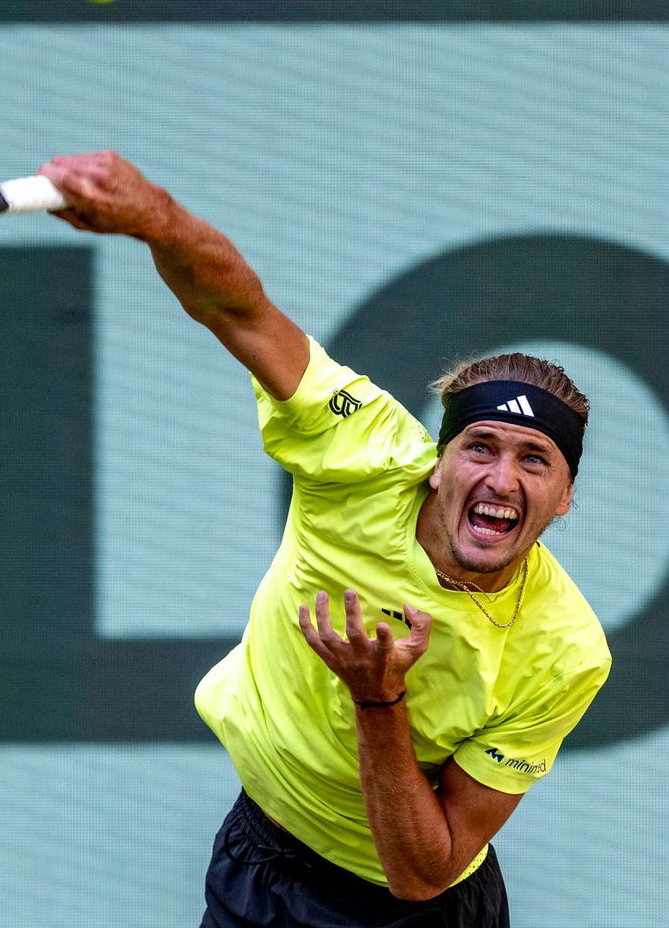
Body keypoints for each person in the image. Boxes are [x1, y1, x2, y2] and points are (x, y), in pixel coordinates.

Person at [40, 151, 612, 928]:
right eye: (479, 447)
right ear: (438, 462)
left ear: (565, 498)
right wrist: (155, 218)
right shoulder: (364, 451)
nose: (501, 479)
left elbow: (424, 873)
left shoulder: (567, 652)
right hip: (260, 863)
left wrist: (378, 700)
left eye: (535, 460)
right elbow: (242, 313)